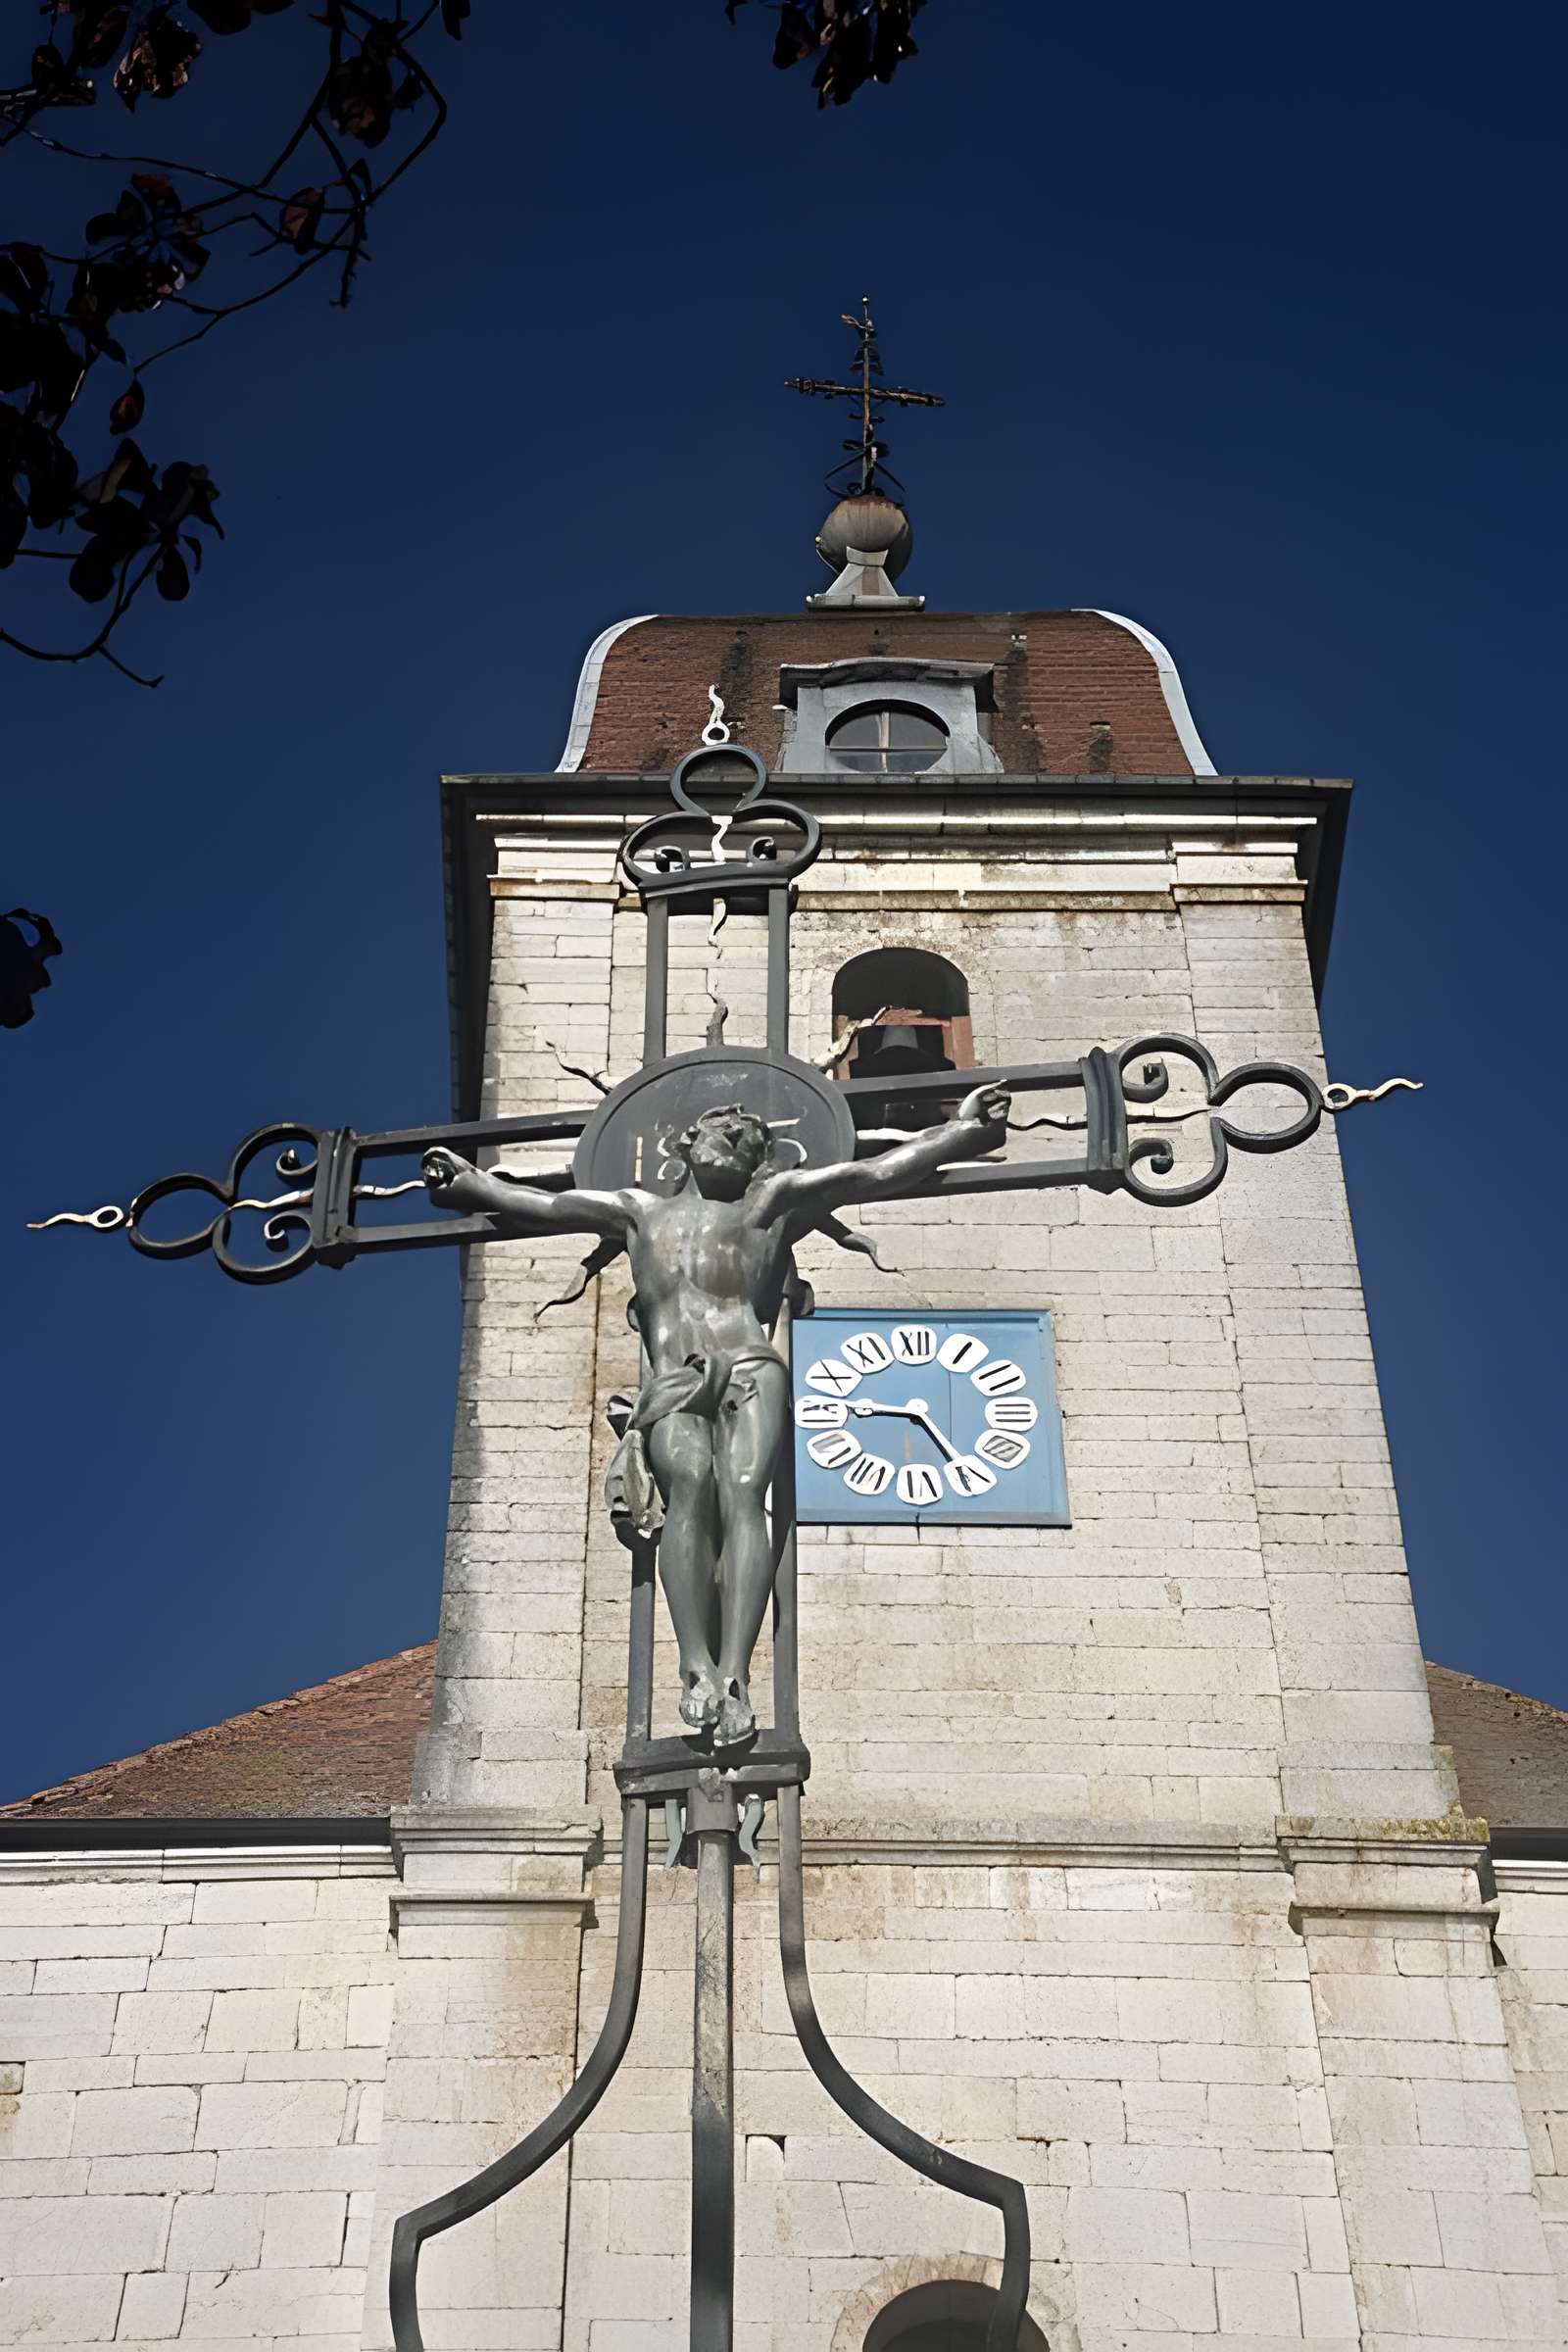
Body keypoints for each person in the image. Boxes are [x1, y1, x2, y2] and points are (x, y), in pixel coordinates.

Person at [423, 1082, 1009, 1748]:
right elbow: (549, 1205)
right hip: (674, 1378)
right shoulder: (637, 1212)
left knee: (743, 1495)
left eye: (750, 1139)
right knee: (690, 1488)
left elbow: (871, 1173)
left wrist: (965, 1133)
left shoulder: (771, 1202)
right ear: (685, 1144)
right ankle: (695, 1662)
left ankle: (735, 1672)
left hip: (751, 1364)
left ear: (761, 1160)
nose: (736, 1138)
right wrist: (470, 1184)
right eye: (723, 1129)